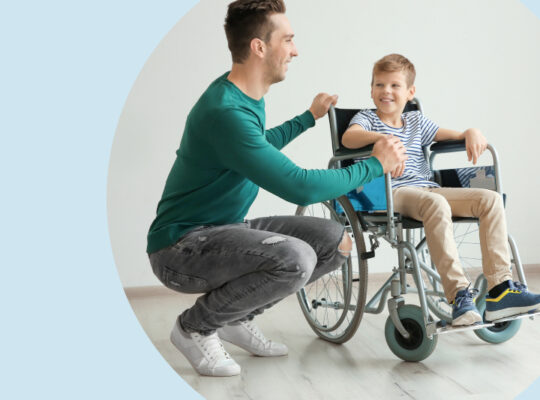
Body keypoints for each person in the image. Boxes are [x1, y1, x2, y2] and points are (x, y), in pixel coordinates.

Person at [146, 1, 406, 377]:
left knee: (337, 241)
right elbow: (301, 187)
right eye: (288, 40)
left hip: (225, 229)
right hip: (181, 248)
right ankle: (194, 328)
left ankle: (235, 316)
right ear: (259, 47)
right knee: (296, 257)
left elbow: (258, 146)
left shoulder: (243, 98)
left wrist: (307, 119)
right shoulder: (225, 112)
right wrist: (374, 165)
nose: (295, 50)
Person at [342, 53, 540, 327]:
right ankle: (459, 296)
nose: (386, 91)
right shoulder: (367, 119)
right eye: (379, 85)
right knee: (436, 205)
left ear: (410, 92)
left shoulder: (416, 122)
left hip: (427, 189)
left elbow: (453, 135)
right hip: (390, 194)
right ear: (371, 89)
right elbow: (348, 137)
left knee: (489, 199)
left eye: (394, 85)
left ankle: (500, 291)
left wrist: (471, 131)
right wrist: (382, 139)